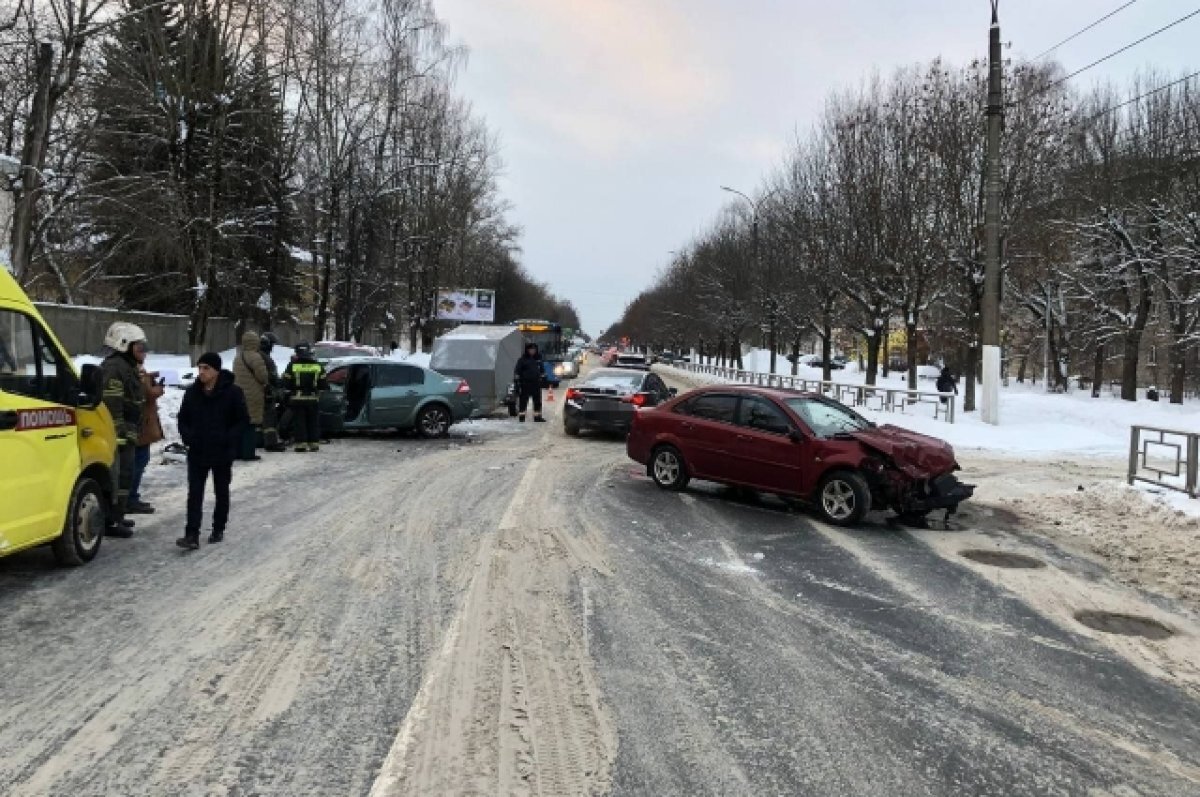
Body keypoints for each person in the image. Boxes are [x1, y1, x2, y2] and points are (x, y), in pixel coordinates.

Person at [176, 352, 249, 549]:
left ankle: (218, 528)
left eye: (206, 368)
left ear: (216, 370)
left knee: (221, 491)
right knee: (195, 493)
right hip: (198, 451)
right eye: (199, 367)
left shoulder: (233, 392)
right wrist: (188, 436)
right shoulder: (192, 393)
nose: (201, 372)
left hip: (222, 451)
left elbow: (242, 420)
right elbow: (183, 418)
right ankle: (191, 534)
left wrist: (228, 438)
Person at [100, 322, 148, 537]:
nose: (144, 352)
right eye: (140, 348)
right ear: (124, 345)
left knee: (125, 476)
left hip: (127, 430)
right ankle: (110, 521)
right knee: (117, 477)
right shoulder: (114, 368)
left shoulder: (126, 366)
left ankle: (117, 516)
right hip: (118, 433)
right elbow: (112, 404)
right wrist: (120, 431)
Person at [128, 352, 165, 514]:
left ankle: (131, 497)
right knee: (139, 460)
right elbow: (146, 393)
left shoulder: (132, 368)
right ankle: (130, 498)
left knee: (138, 460)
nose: (144, 353)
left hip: (140, 422)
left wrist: (150, 377)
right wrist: (158, 389)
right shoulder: (133, 368)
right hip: (141, 423)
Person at [282, 341, 327, 451]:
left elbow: (286, 382)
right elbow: (323, 384)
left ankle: (301, 444)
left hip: (297, 398)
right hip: (313, 398)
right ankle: (314, 443)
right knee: (313, 421)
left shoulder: (292, 365)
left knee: (300, 422)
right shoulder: (318, 366)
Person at [232, 330, 269, 461]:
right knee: (250, 425)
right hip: (253, 394)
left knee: (239, 424)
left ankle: (237, 452)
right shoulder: (256, 357)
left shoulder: (238, 357)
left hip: (238, 394)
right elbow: (262, 376)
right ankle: (248, 453)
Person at [258, 332, 286, 452]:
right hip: (265, 391)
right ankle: (271, 442)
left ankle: (259, 440)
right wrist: (281, 385)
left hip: (255, 391)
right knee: (270, 417)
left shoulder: (254, 355)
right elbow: (272, 377)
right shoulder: (265, 358)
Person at [513, 342, 546, 422]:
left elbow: (542, 371)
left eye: (534, 350)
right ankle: (522, 417)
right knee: (523, 401)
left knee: (537, 401)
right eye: (531, 350)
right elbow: (517, 371)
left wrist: (543, 379)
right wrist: (517, 383)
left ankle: (537, 417)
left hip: (536, 384)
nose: (532, 351)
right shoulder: (522, 360)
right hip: (525, 384)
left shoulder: (538, 359)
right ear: (527, 350)